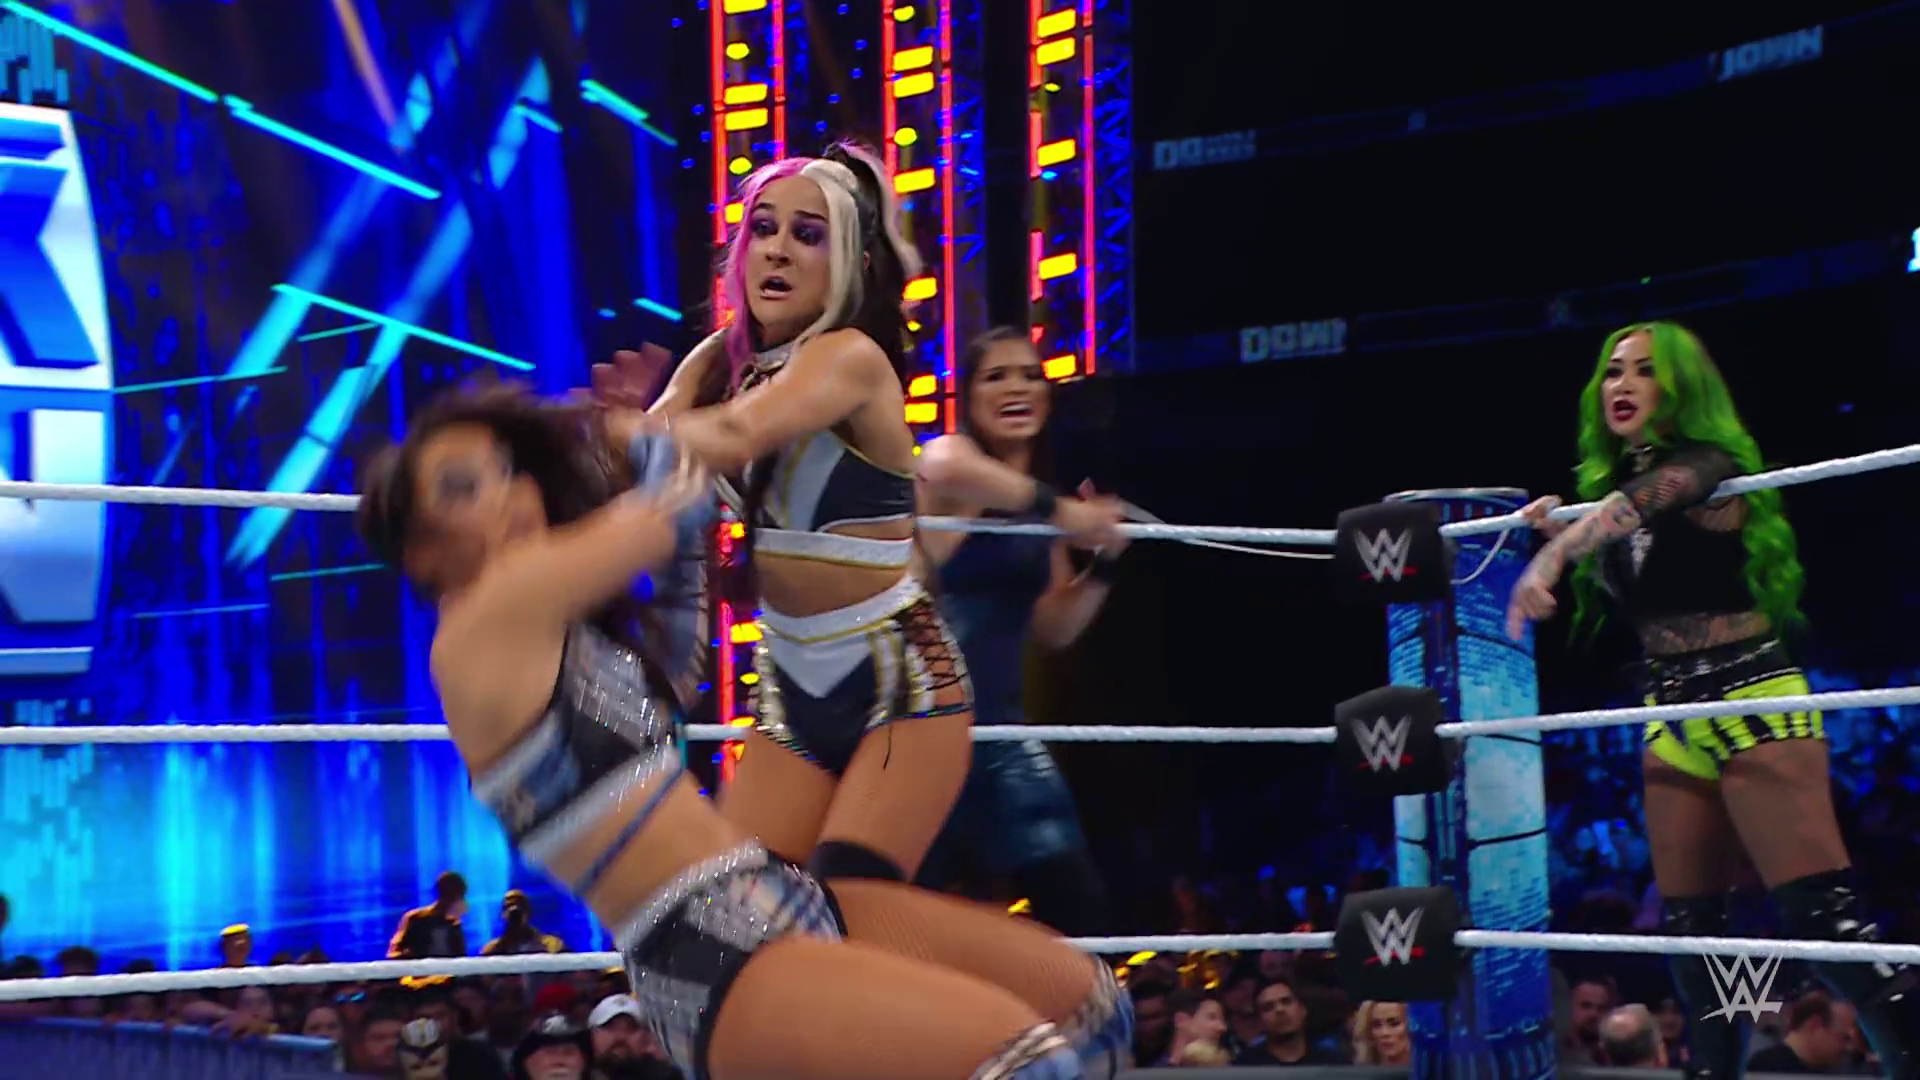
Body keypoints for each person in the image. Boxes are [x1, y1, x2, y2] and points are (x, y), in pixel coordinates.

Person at [356, 383, 1087, 1078]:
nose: (508, 493)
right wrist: (636, 428)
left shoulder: (561, 640)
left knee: (1089, 1012)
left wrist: (649, 443)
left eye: (509, 470)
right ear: (420, 550)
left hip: (778, 894)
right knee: (1027, 1064)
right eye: (464, 487)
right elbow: (668, 507)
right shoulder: (475, 630)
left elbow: (677, 660)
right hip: (705, 956)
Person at [599, 140, 1132, 1074]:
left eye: (807, 235)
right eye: (763, 228)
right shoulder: (722, 360)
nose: (776, 249)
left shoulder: (848, 359)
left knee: (846, 902)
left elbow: (727, 435)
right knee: (731, 921)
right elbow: (655, 460)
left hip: (899, 682)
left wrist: (612, 433)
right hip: (790, 682)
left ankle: (1067, 997)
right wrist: (617, 442)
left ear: (845, 261)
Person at [1505, 320, 1918, 1078]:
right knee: (1697, 938)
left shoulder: (1709, 465)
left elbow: (1652, 498)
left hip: (1752, 698)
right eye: (1613, 371)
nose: (1623, 384)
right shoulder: (1617, 497)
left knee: (1822, 922)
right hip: (1670, 713)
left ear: (1681, 387)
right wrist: (1562, 523)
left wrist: (1557, 550)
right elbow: (1629, 525)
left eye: (1644, 370)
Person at [911, 326, 1116, 937]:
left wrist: (1105, 563)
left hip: (1000, 736)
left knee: (1080, 910)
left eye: (1029, 375)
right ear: (968, 396)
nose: (1017, 387)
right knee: (904, 924)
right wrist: (1065, 511)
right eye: (996, 376)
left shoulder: (1035, 509)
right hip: (919, 734)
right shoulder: (955, 470)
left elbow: (1053, 626)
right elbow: (943, 462)